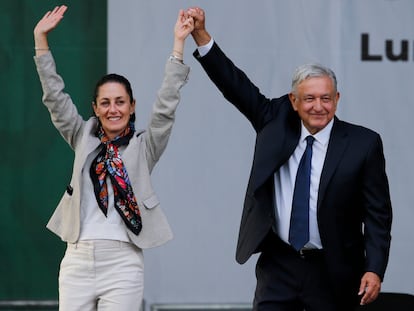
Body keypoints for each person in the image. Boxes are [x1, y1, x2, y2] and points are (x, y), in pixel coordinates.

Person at [187, 7, 392, 311]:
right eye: (309, 98)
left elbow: (377, 214)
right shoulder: (273, 120)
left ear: (337, 100)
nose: (318, 106)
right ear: (294, 101)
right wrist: (200, 35)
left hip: (334, 267)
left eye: (326, 98)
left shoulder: (363, 143)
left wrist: (374, 268)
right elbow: (234, 84)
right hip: (279, 264)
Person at [33, 5, 193, 310]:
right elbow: (55, 99)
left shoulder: (144, 146)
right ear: (95, 108)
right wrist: (41, 41)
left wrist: (178, 45)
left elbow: (165, 107)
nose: (113, 109)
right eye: (105, 103)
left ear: (132, 106)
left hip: (123, 261)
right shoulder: (82, 137)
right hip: (77, 258)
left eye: (120, 102)